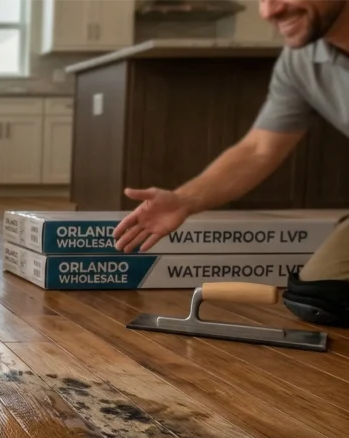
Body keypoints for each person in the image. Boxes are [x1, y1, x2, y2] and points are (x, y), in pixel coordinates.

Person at [112, 0, 349, 326]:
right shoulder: (301, 60)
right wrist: (184, 199)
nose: (269, 11)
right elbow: (258, 149)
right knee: (320, 296)